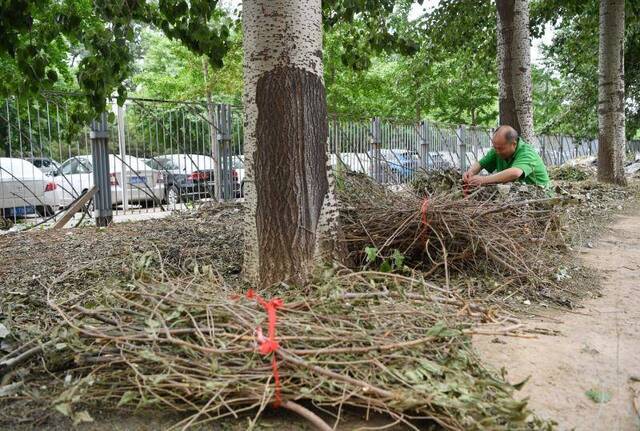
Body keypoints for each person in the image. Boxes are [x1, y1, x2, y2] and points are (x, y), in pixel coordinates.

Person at [462, 125, 550, 187]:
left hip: (540, 198)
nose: (497, 151)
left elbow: (515, 173)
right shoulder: (497, 150)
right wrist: (470, 172)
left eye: (500, 148)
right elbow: (481, 163)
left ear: (514, 144)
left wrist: (483, 180)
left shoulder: (527, 153)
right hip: (519, 198)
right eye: (494, 147)